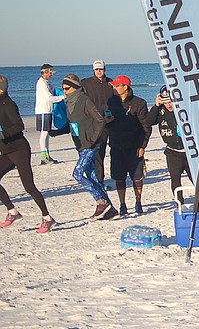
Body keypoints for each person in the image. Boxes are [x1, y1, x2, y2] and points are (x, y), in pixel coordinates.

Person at [50, 74, 118, 221]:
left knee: (77, 174)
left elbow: (100, 120)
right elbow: (71, 124)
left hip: (90, 145)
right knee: (92, 177)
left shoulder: (84, 100)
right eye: (63, 89)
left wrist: (92, 140)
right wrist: (55, 132)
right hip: (80, 145)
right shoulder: (69, 103)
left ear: (75, 88)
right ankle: (111, 210)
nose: (65, 92)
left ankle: (101, 201)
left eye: (67, 88)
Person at [0, 75, 56, 233]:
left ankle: (47, 218)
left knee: (29, 186)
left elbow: (19, 125)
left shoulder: (7, 104)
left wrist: (2, 135)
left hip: (19, 150)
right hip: (6, 151)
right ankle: (12, 212)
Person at [105, 75, 151, 215]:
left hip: (134, 146)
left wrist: (142, 146)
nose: (114, 88)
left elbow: (146, 127)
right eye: (113, 86)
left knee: (137, 177)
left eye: (117, 86)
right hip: (116, 145)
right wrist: (108, 121)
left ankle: (138, 203)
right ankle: (122, 205)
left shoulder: (139, 103)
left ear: (125, 87)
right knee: (119, 177)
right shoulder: (111, 102)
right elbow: (106, 119)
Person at [147, 85, 191, 205]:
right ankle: (179, 202)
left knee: (195, 178)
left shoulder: (183, 108)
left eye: (170, 101)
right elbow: (148, 121)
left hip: (188, 150)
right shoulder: (160, 110)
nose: (169, 105)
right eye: (166, 102)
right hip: (172, 151)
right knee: (175, 179)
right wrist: (156, 106)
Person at [81, 60, 113, 187]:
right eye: (97, 70)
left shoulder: (110, 83)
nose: (99, 72)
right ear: (93, 70)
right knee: (95, 151)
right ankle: (97, 179)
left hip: (108, 121)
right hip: (93, 122)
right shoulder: (86, 83)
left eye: (101, 69)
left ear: (105, 69)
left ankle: (101, 179)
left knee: (104, 151)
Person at [34, 63, 63, 164]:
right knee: (44, 133)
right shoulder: (41, 83)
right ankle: (43, 156)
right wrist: (62, 98)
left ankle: (47, 155)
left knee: (47, 133)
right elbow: (49, 98)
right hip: (43, 110)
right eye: (50, 72)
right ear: (45, 72)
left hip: (48, 110)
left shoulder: (47, 83)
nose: (52, 74)